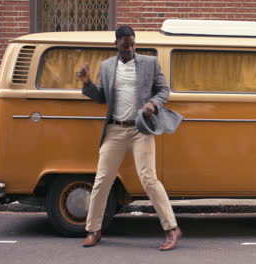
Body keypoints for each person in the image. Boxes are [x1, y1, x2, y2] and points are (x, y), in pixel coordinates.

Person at [77, 25, 182, 250]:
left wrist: (152, 104)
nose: (130, 49)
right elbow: (102, 97)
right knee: (102, 180)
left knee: (148, 178)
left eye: (133, 44)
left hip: (140, 129)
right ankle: (93, 230)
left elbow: (164, 90)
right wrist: (87, 84)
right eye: (126, 45)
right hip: (115, 129)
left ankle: (172, 229)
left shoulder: (149, 63)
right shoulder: (106, 66)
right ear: (116, 44)